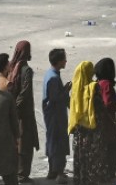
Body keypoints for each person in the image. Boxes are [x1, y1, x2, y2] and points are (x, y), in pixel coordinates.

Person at [4, 41, 38, 183]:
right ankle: (22, 174)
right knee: (25, 144)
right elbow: (25, 92)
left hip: (13, 111)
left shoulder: (11, 67)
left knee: (16, 143)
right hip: (24, 114)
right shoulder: (26, 70)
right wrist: (17, 107)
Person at [42, 48, 70, 183]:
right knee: (57, 143)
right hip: (55, 116)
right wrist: (66, 90)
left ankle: (53, 170)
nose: (66, 61)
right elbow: (55, 98)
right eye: (64, 59)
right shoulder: (53, 77)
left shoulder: (51, 73)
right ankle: (57, 171)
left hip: (53, 115)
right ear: (59, 61)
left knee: (53, 141)